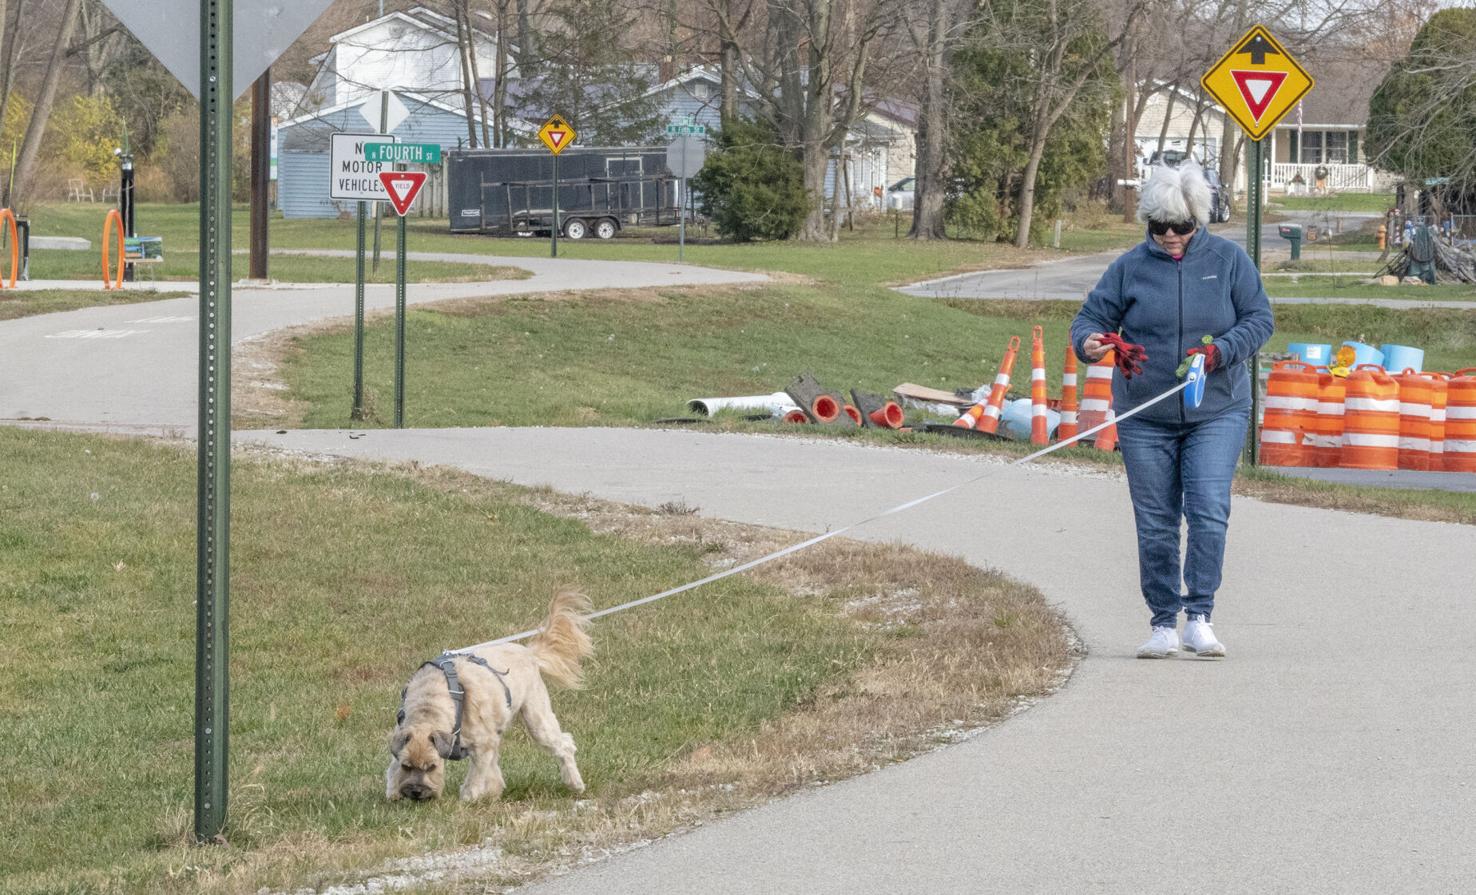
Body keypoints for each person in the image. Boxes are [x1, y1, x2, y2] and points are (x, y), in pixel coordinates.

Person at [1071, 163, 1274, 659]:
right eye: (1159, 226)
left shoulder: (1228, 261)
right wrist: (1092, 343)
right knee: (1156, 521)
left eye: (1180, 227)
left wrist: (1221, 350)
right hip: (1144, 414)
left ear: (1198, 221)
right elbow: (1090, 319)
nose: (1169, 236)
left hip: (1217, 409)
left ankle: (1198, 616)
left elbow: (1260, 320)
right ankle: (1163, 622)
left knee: (1207, 511)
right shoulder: (1129, 267)